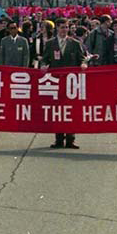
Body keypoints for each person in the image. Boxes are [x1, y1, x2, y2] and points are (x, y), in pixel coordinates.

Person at [39, 18, 87, 150]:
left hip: (71, 82)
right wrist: (43, 65)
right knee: (58, 111)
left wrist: (83, 64)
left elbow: (82, 58)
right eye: (62, 27)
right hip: (56, 81)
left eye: (66, 27)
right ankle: (59, 139)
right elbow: (45, 59)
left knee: (71, 110)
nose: (64, 30)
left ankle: (71, 139)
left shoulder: (75, 43)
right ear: (57, 28)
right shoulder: (50, 43)